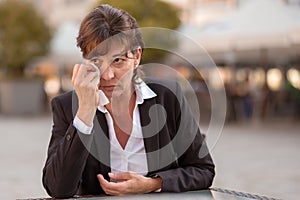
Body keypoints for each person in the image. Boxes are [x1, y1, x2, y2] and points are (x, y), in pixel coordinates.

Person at [42, 4, 215, 198]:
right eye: (97, 61)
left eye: (118, 61)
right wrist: (84, 113)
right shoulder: (67, 107)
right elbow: (57, 188)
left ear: (137, 57)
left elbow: (203, 170)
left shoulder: (169, 97)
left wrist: (152, 184)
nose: (107, 75)